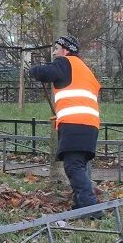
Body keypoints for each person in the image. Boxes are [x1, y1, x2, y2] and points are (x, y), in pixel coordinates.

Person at [29, 34, 100, 209]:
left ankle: (90, 206)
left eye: (56, 49)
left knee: (73, 166)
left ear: (65, 50)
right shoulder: (84, 69)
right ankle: (79, 205)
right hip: (90, 125)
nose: (54, 53)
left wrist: (33, 70)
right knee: (78, 164)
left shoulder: (65, 62)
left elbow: (46, 72)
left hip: (75, 123)